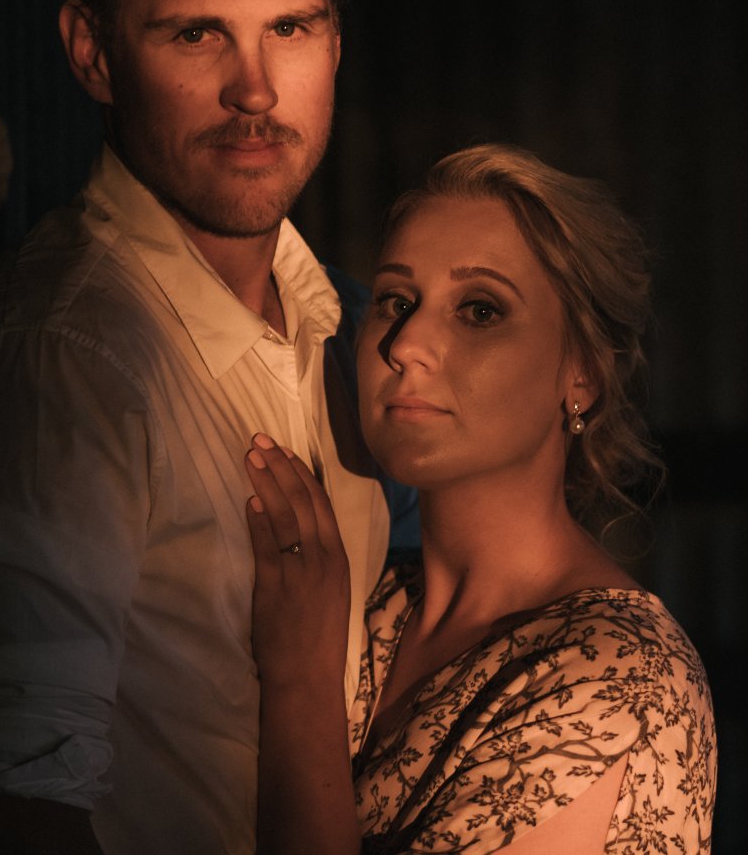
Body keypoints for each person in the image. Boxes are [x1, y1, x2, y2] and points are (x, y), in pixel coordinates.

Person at [0, 0, 391, 854]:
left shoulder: (336, 323)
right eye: (197, 34)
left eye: (290, 27)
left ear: (335, 40)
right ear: (93, 53)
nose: (255, 90)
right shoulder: (59, 366)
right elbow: (10, 820)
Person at [243, 144, 717, 854]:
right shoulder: (369, 601)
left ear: (583, 375)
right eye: (396, 301)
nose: (407, 344)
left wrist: (301, 686)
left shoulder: (622, 675)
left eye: (480, 310)